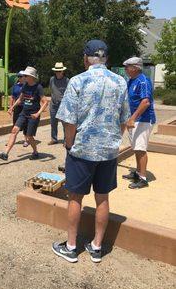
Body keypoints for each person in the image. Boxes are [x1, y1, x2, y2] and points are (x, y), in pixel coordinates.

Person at [52, 40, 130, 263]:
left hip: (82, 150)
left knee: (75, 197)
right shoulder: (120, 82)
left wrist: (69, 144)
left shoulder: (78, 81)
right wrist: (114, 140)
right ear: (105, 58)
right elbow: (124, 120)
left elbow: (69, 122)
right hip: (108, 151)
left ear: (86, 58)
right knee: (102, 198)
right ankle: (96, 246)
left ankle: (71, 246)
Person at [0, 66, 48, 161]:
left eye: (26, 75)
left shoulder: (38, 87)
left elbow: (45, 102)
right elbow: (20, 99)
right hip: (24, 113)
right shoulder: (25, 86)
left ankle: (35, 152)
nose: (24, 77)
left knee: (29, 136)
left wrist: (38, 114)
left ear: (32, 77)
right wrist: (12, 107)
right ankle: (5, 153)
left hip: (33, 115)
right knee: (14, 130)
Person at [122, 57, 156, 189]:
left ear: (135, 68)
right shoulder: (131, 80)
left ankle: (143, 178)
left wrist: (133, 118)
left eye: (127, 66)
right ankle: (137, 172)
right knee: (136, 147)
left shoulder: (143, 81)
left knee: (140, 149)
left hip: (143, 119)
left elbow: (145, 102)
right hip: (135, 120)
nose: (125, 69)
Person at [48, 62, 69, 145]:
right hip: (53, 104)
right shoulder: (52, 79)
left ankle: (66, 140)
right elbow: (51, 90)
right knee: (53, 122)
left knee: (65, 123)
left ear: (63, 71)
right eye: (57, 71)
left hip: (63, 105)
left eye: (60, 71)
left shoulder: (67, 80)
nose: (58, 72)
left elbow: (69, 92)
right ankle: (54, 139)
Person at [9, 71, 28, 147]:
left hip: (25, 107)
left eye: (21, 76)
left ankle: (26, 140)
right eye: (18, 76)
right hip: (17, 107)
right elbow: (12, 97)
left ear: (24, 77)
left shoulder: (27, 86)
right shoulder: (15, 86)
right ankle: (12, 140)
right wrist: (11, 107)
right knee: (15, 123)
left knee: (25, 124)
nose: (19, 78)